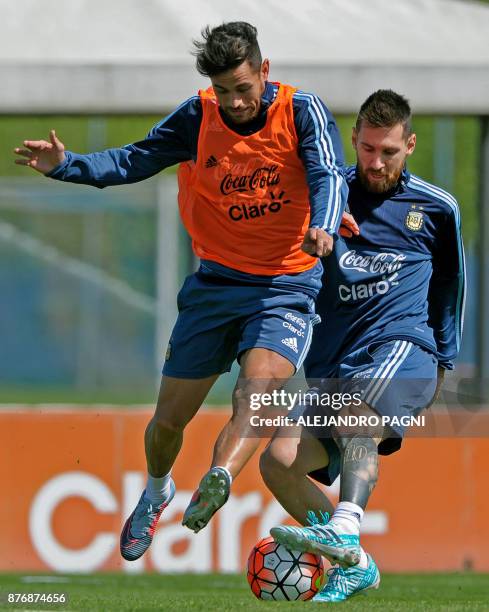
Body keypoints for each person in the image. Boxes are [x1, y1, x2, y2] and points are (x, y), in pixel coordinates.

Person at [14, 22, 349, 560]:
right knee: (169, 420)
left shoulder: (302, 111)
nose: (236, 102)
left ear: (264, 72)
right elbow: (131, 159)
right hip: (215, 284)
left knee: (256, 393)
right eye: (224, 92)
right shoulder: (196, 116)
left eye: (243, 88)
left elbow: (329, 174)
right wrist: (68, 165)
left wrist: (325, 224)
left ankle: (218, 477)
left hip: (287, 283)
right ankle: (156, 490)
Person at [260, 90, 465, 601]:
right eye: (367, 148)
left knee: (357, 410)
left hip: (402, 347)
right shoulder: (323, 197)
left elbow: (448, 287)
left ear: (410, 145)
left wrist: (443, 359)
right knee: (279, 461)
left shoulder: (436, 209)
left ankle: (345, 525)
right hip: (335, 364)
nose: (375, 162)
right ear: (353, 139)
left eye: (388, 151)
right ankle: (355, 559)